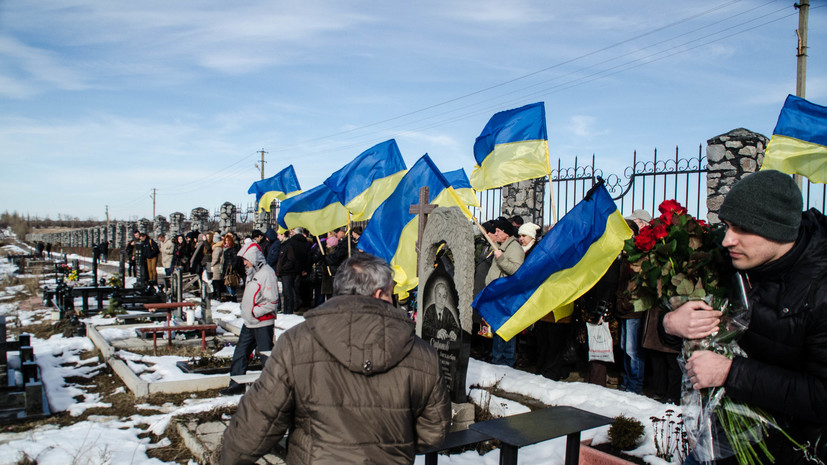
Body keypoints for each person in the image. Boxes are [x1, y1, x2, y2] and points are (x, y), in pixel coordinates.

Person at [219, 253, 451, 464]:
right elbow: (433, 433)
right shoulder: (423, 355)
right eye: (392, 293)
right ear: (380, 294)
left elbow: (256, 424)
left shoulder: (296, 342)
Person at [661, 170, 827, 464]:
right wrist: (671, 324)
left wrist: (730, 373)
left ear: (778, 230)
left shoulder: (820, 288)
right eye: (726, 226)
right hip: (724, 437)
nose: (727, 240)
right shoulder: (730, 263)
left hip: (792, 449)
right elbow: (701, 336)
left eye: (741, 228)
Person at [220, 241, 278, 396]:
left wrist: (255, 312)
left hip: (262, 322)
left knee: (266, 356)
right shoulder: (253, 273)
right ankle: (236, 384)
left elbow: (272, 301)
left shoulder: (267, 273)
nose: (244, 263)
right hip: (250, 322)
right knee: (240, 354)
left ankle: (271, 388)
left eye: (246, 259)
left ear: (253, 258)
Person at [484, 218, 524, 367]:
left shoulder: (515, 249)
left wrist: (501, 259)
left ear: (506, 234)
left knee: (505, 329)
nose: (496, 233)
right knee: (496, 328)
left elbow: (516, 271)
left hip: (506, 296)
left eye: (498, 231)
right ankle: (497, 358)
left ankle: (507, 361)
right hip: (496, 294)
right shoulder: (501, 246)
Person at [277, 228, 311, 314]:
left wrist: (281, 267)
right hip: (300, 270)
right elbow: (309, 258)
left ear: (294, 233)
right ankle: (296, 305)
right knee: (296, 289)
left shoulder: (289, 243)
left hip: (288, 270)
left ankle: (288, 310)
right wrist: (306, 269)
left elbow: (286, 257)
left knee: (288, 292)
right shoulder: (306, 243)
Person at [210, 233, 224, 299]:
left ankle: (218, 295)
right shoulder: (220, 247)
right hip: (218, 266)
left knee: (216, 281)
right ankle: (217, 294)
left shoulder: (217, 248)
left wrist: (211, 265)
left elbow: (215, 258)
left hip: (216, 267)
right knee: (216, 281)